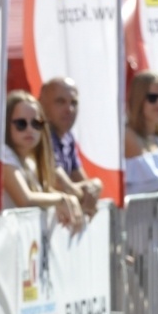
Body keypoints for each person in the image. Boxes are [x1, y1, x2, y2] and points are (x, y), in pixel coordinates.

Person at [1, 90, 84, 233]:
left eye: (36, 123)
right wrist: (63, 199)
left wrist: (70, 199)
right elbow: (25, 199)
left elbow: (44, 191)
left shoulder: (30, 161)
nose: (29, 129)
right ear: (6, 124)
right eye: (21, 124)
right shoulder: (3, 154)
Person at [38, 77, 102, 217]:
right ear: (42, 103)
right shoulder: (38, 134)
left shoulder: (68, 137)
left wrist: (96, 185)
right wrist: (86, 193)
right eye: (60, 102)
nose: (69, 109)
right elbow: (60, 183)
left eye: (74, 103)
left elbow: (82, 181)